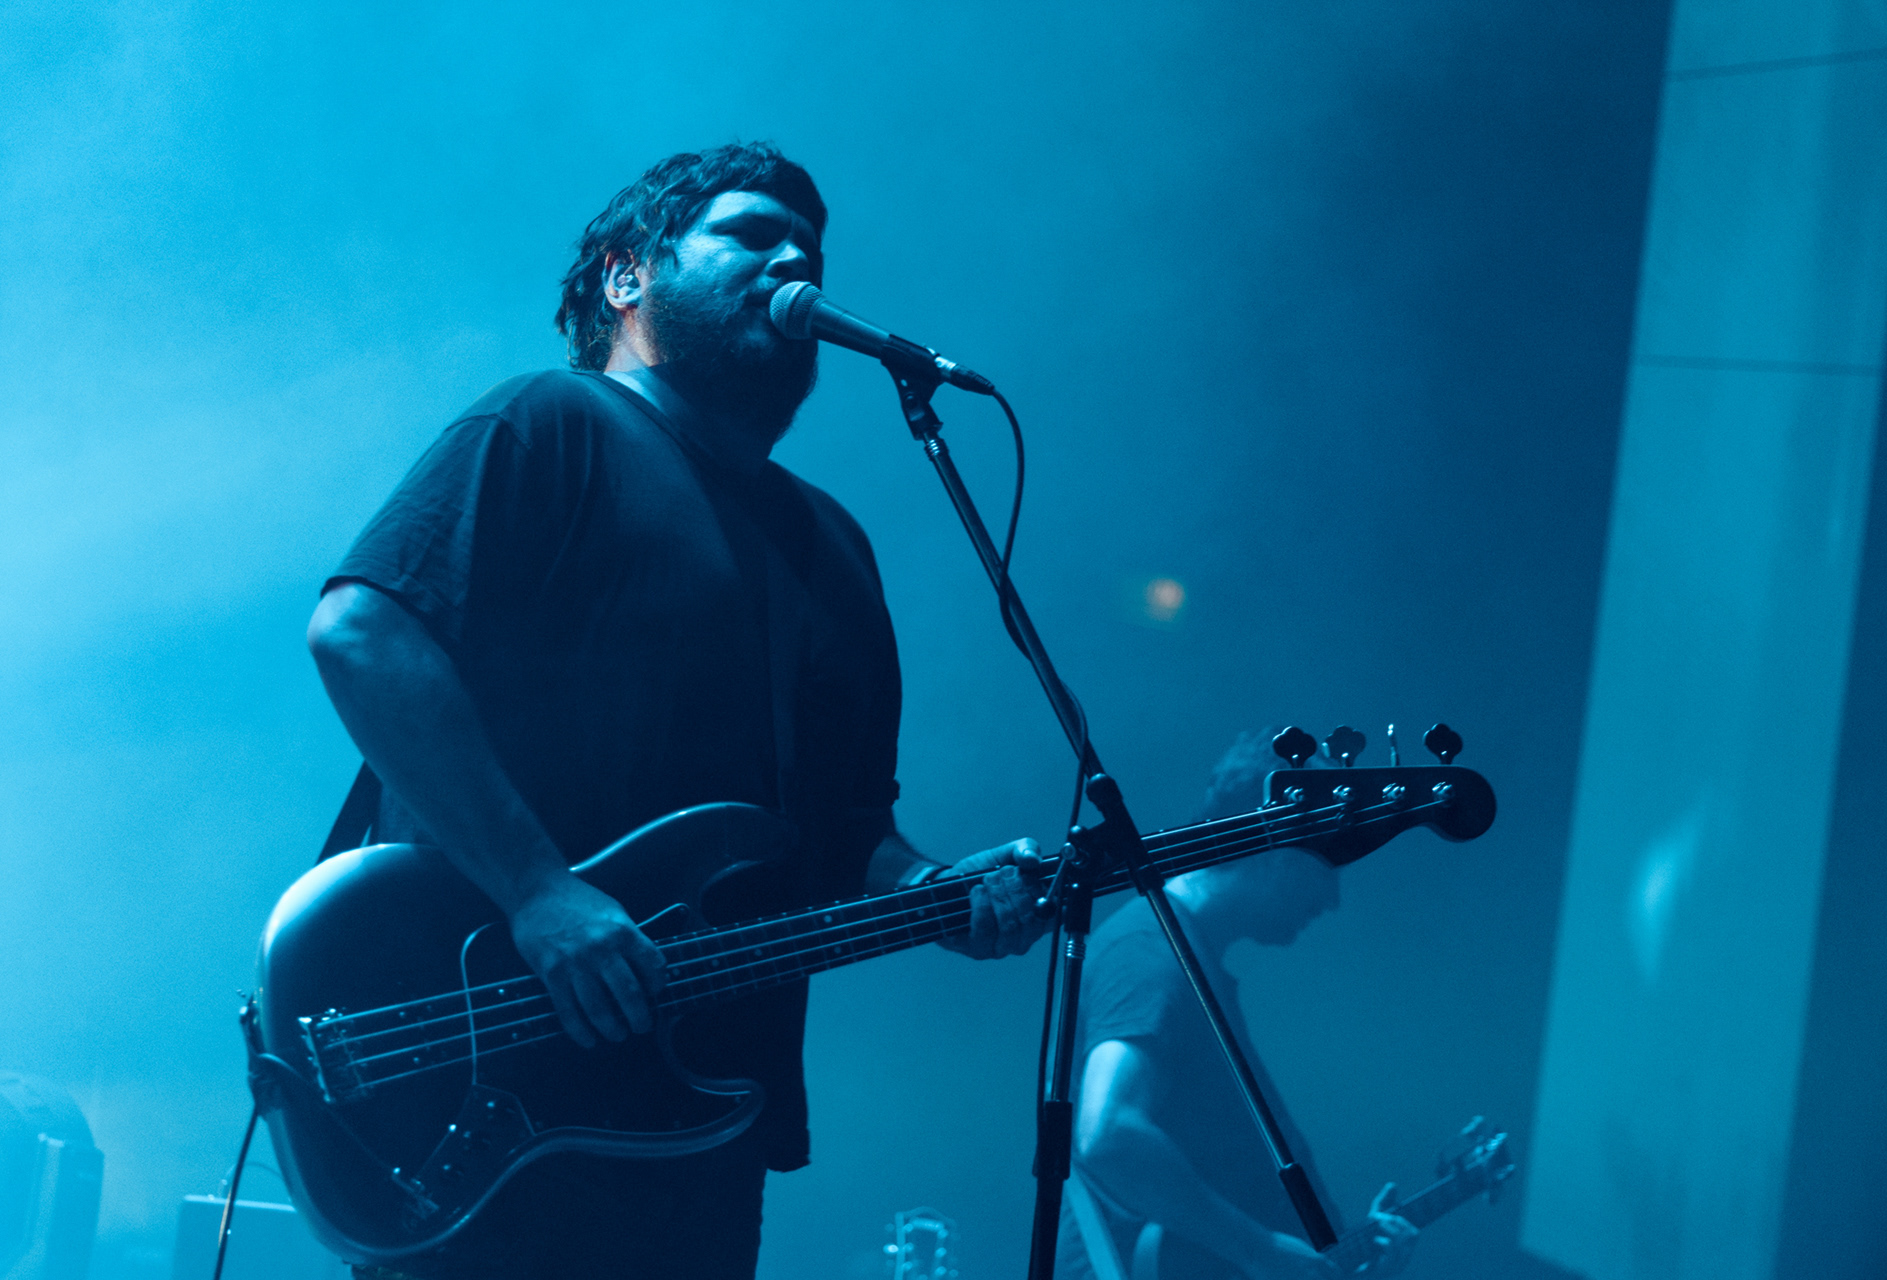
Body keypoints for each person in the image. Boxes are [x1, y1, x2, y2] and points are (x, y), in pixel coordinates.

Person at [305, 142, 1047, 1280]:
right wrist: (540, 891)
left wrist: (938, 893)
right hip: (484, 1082)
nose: (794, 260)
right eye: (750, 233)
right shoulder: (552, 422)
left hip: (699, 1108)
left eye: (809, 248)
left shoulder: (833, 547)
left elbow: (846, 831)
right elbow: (364, 632)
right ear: (627, 276)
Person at [1058, 729, 1418, 1279]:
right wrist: (1261, 1250)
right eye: (1327, 864)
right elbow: (1107, 1133)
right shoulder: (1148, 956)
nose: (1332, 897)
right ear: (1276, 848)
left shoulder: (1181, 953)